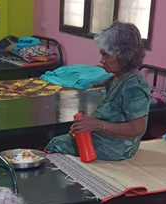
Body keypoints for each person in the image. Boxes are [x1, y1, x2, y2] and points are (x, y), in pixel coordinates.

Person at [46, 21, 150, 161]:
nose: (102, 61)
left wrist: (98, 125)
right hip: (106, 137)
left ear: (124, 56)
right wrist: (86, 122)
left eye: (106, 56)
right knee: (62, 137)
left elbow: (138, 129)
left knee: (56, 144)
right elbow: (108, 110)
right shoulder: (117, 78)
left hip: (116, 147)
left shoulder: (134, 86)